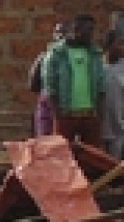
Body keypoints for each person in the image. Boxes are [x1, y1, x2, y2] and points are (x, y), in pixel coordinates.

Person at [41, 14, 105, 150]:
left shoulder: (95, 53)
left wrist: (98, 113)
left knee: (91, 155)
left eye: (93, 30)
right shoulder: (56, 53)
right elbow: (49, 85)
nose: (91, 34)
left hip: (89, 114)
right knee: (61, 153)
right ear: (77, 29)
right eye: (89, 30)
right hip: (66, 114)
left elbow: (101, 85)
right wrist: (58, 114)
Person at [98, 30, 124, 159]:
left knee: (119, 166)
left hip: (121, 127)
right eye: (119, 44)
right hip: (102, 127)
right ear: (108, 46)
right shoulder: (97, 67)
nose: (123, 48)